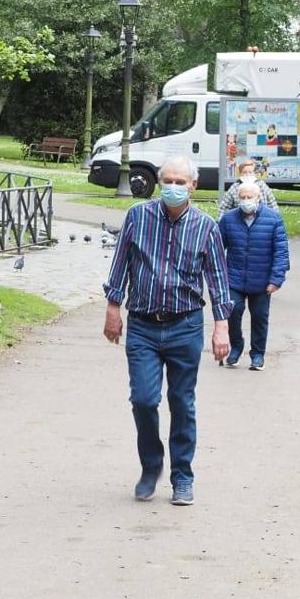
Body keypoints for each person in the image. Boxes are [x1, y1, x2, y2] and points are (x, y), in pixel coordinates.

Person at [103, 154, 232, 506]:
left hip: (185, 325)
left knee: (182, 403)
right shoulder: (138, 217)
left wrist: (222, 327)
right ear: (160, 183)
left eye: (181, 182)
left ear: (194, 185)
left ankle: (182, 477)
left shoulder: (206, 227)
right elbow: (121, 264)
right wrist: (113, 307)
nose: (174, 188)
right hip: (143, 325)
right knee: (144, 400)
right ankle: (150, 465)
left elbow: (218, 279)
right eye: (168, 181)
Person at [217, 182, 290, 370]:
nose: (246, 200)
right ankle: (236, 347)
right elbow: (217, 250)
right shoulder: (228, 220)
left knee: (259, 317)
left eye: (250, 197)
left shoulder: (273, 219)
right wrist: (218, 277)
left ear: (259, 198)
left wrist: (276, 279)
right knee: (232, 312)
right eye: (243, 197)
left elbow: (281, 252)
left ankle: (258, 354)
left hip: (262, 280)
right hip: (234, 279)